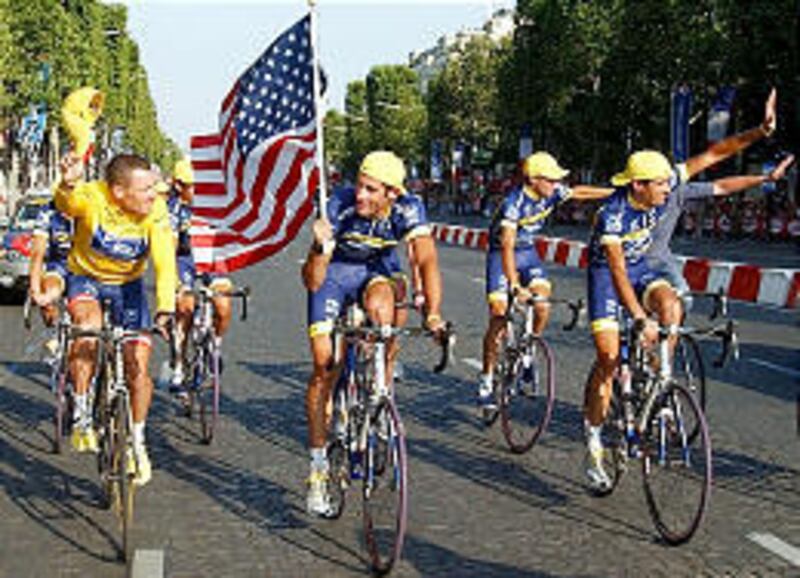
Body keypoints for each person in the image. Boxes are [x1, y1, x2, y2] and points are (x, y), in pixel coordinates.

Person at [583, 87, 777, 492]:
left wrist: (759, 132)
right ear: (637, 186)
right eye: (658, 186)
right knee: (606, 357)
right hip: (609, 275)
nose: (667, 190)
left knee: (671, 305)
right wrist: (637, 316)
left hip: (646, 268)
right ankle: (594, 439)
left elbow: (715, 157)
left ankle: (662, 379)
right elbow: (617, 269)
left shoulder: (667, 180)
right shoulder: (613, 214)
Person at [301, 150, 446, 517]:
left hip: (377, 272)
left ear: (392, 194)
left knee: (385, 312)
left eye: (371, 190)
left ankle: (379, 388)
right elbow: (312, 280)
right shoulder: (338, 205)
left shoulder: (409, 209)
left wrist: (433, 313)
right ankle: (318, 469)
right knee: (324, 365)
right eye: (359, 187)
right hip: (335, 276)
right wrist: (319, 247)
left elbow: (426, 260)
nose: (360, 195)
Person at [55, 152, 175, 487]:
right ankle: (81, 411)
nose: (154, 194)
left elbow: (165, 263)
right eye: (146, 189)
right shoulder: (94, 196)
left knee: (138, 366)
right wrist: (67, 182)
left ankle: (137, 440)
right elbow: (68, 204)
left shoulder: (157, 210)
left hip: (129, 285)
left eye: (155, 187)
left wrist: (165, 307)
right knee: (89, 331)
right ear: (118, 192)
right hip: (86, 278)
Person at [477, 152, 612, 414]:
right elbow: (506, 245)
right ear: (533, 179)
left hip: (528, 253)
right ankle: (485, 378)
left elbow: (578, 192)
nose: (555, 184)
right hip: (502, 255)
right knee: (498, 316)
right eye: (550, 179)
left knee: (542, 304)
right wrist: (515, 285)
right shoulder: (513, 203)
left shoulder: (551, 192)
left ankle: (529, 350)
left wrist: (612, 193)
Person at [647, 153, 795, 314]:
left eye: (666, 183)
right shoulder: (621, 201)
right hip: (629, 261)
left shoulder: (678, 192)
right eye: (658, 183)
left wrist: (764, 178)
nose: (665, 190)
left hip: (660, 261)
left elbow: (722, 186)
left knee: (684, 300)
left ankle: (668, 336)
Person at [28, 200, 73, 329]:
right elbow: (37, 254)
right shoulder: (48, 211)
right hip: (60, 264)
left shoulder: (93, 205)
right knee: (49, 291)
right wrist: (36, 290)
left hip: (88, 265)